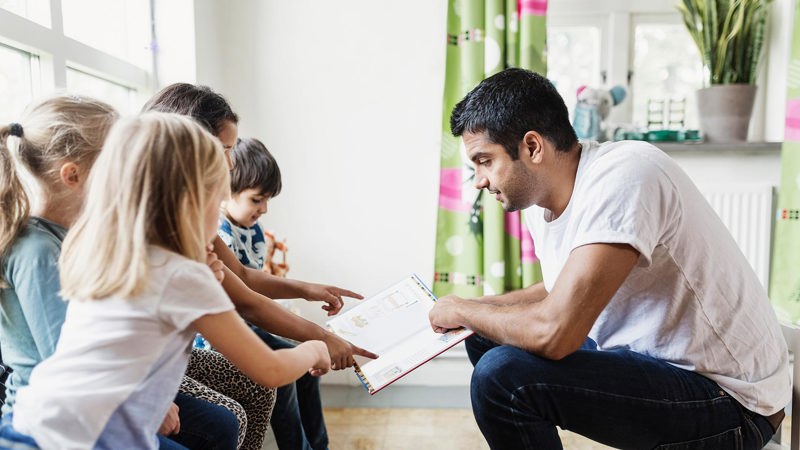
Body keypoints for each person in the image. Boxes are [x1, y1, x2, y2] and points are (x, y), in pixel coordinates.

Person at [428, 68, 791, 449]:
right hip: (661, 366)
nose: (479, 180)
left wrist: (465, 311)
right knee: (483, 338)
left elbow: (555, 334)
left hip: (733, 402)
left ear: (533, 147)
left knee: (500, 375)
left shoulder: (626, 175)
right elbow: (560, 288)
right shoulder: (542, 197)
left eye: (484, 161)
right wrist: (469, 309)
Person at [1, 112, 331, 449]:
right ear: (190, 202)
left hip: (30, 425)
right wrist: (313, 350)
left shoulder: (109, 253)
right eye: (216, 204)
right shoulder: (181, 277)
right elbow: (271, 370)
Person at [144, 83, 378, 450]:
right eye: (226, 151)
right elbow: (249, 309)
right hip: (134, 384)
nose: (232, 164)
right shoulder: (175, 241)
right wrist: (319, 345)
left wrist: (307, 295)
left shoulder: (186, 229)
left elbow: (241, 281)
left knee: (241, 407)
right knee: (238, 409)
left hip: (153, 372)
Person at [0, 95, 241, 450]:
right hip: (58, 418)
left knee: (222, 422)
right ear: (73, 175)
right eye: (119, 165)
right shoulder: (38, 251)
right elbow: (67, 360)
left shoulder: (80, 232)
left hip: (99, 397)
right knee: (217, 429)